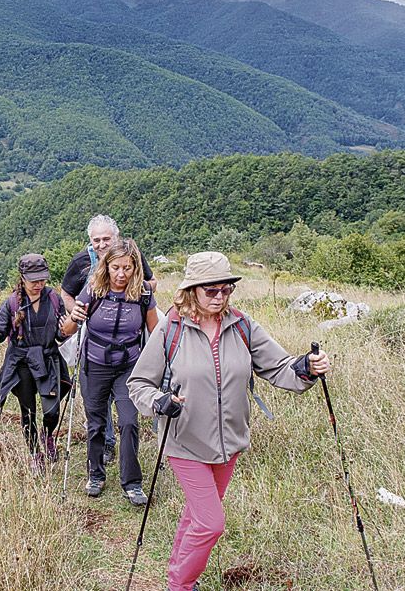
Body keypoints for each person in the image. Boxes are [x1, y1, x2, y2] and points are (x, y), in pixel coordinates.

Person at [127, 251, 332, 591]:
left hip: (229, 444)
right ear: (192, 290)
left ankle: (176, 573)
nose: (220, 297)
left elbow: (279, 367)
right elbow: (139, 384)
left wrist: (306, 368)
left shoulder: (242, 325)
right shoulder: (171, 329)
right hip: (184, 442)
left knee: (197, 516)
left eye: (226, 289)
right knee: (210, 524)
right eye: (211, 290)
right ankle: (180, 584)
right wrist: (159, 402)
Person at [63, 239, 159, 505]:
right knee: (96, 424)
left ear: (135, 268)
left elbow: (154, 333)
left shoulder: (143, 295)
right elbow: (67, 331)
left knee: (129, 421)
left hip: (129, 367)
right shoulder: (93, 290)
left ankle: (132, 482)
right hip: (94, 366)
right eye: (116, 267)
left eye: (127, 268)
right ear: (106, 266)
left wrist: (159, 368)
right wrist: (74, 317)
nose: (121, 274)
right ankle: (96, 474)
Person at [0, 254, 74, 470]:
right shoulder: (12, 303)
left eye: (42, 279)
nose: (38, 285)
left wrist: (66, 330)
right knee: (28, 411)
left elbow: (61, 334)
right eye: (33, 280)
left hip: (48, 359)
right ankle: (34, 454)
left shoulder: (53, 298)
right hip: (21, 362)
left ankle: (48, 434)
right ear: (22, 278)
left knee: (51, 411)